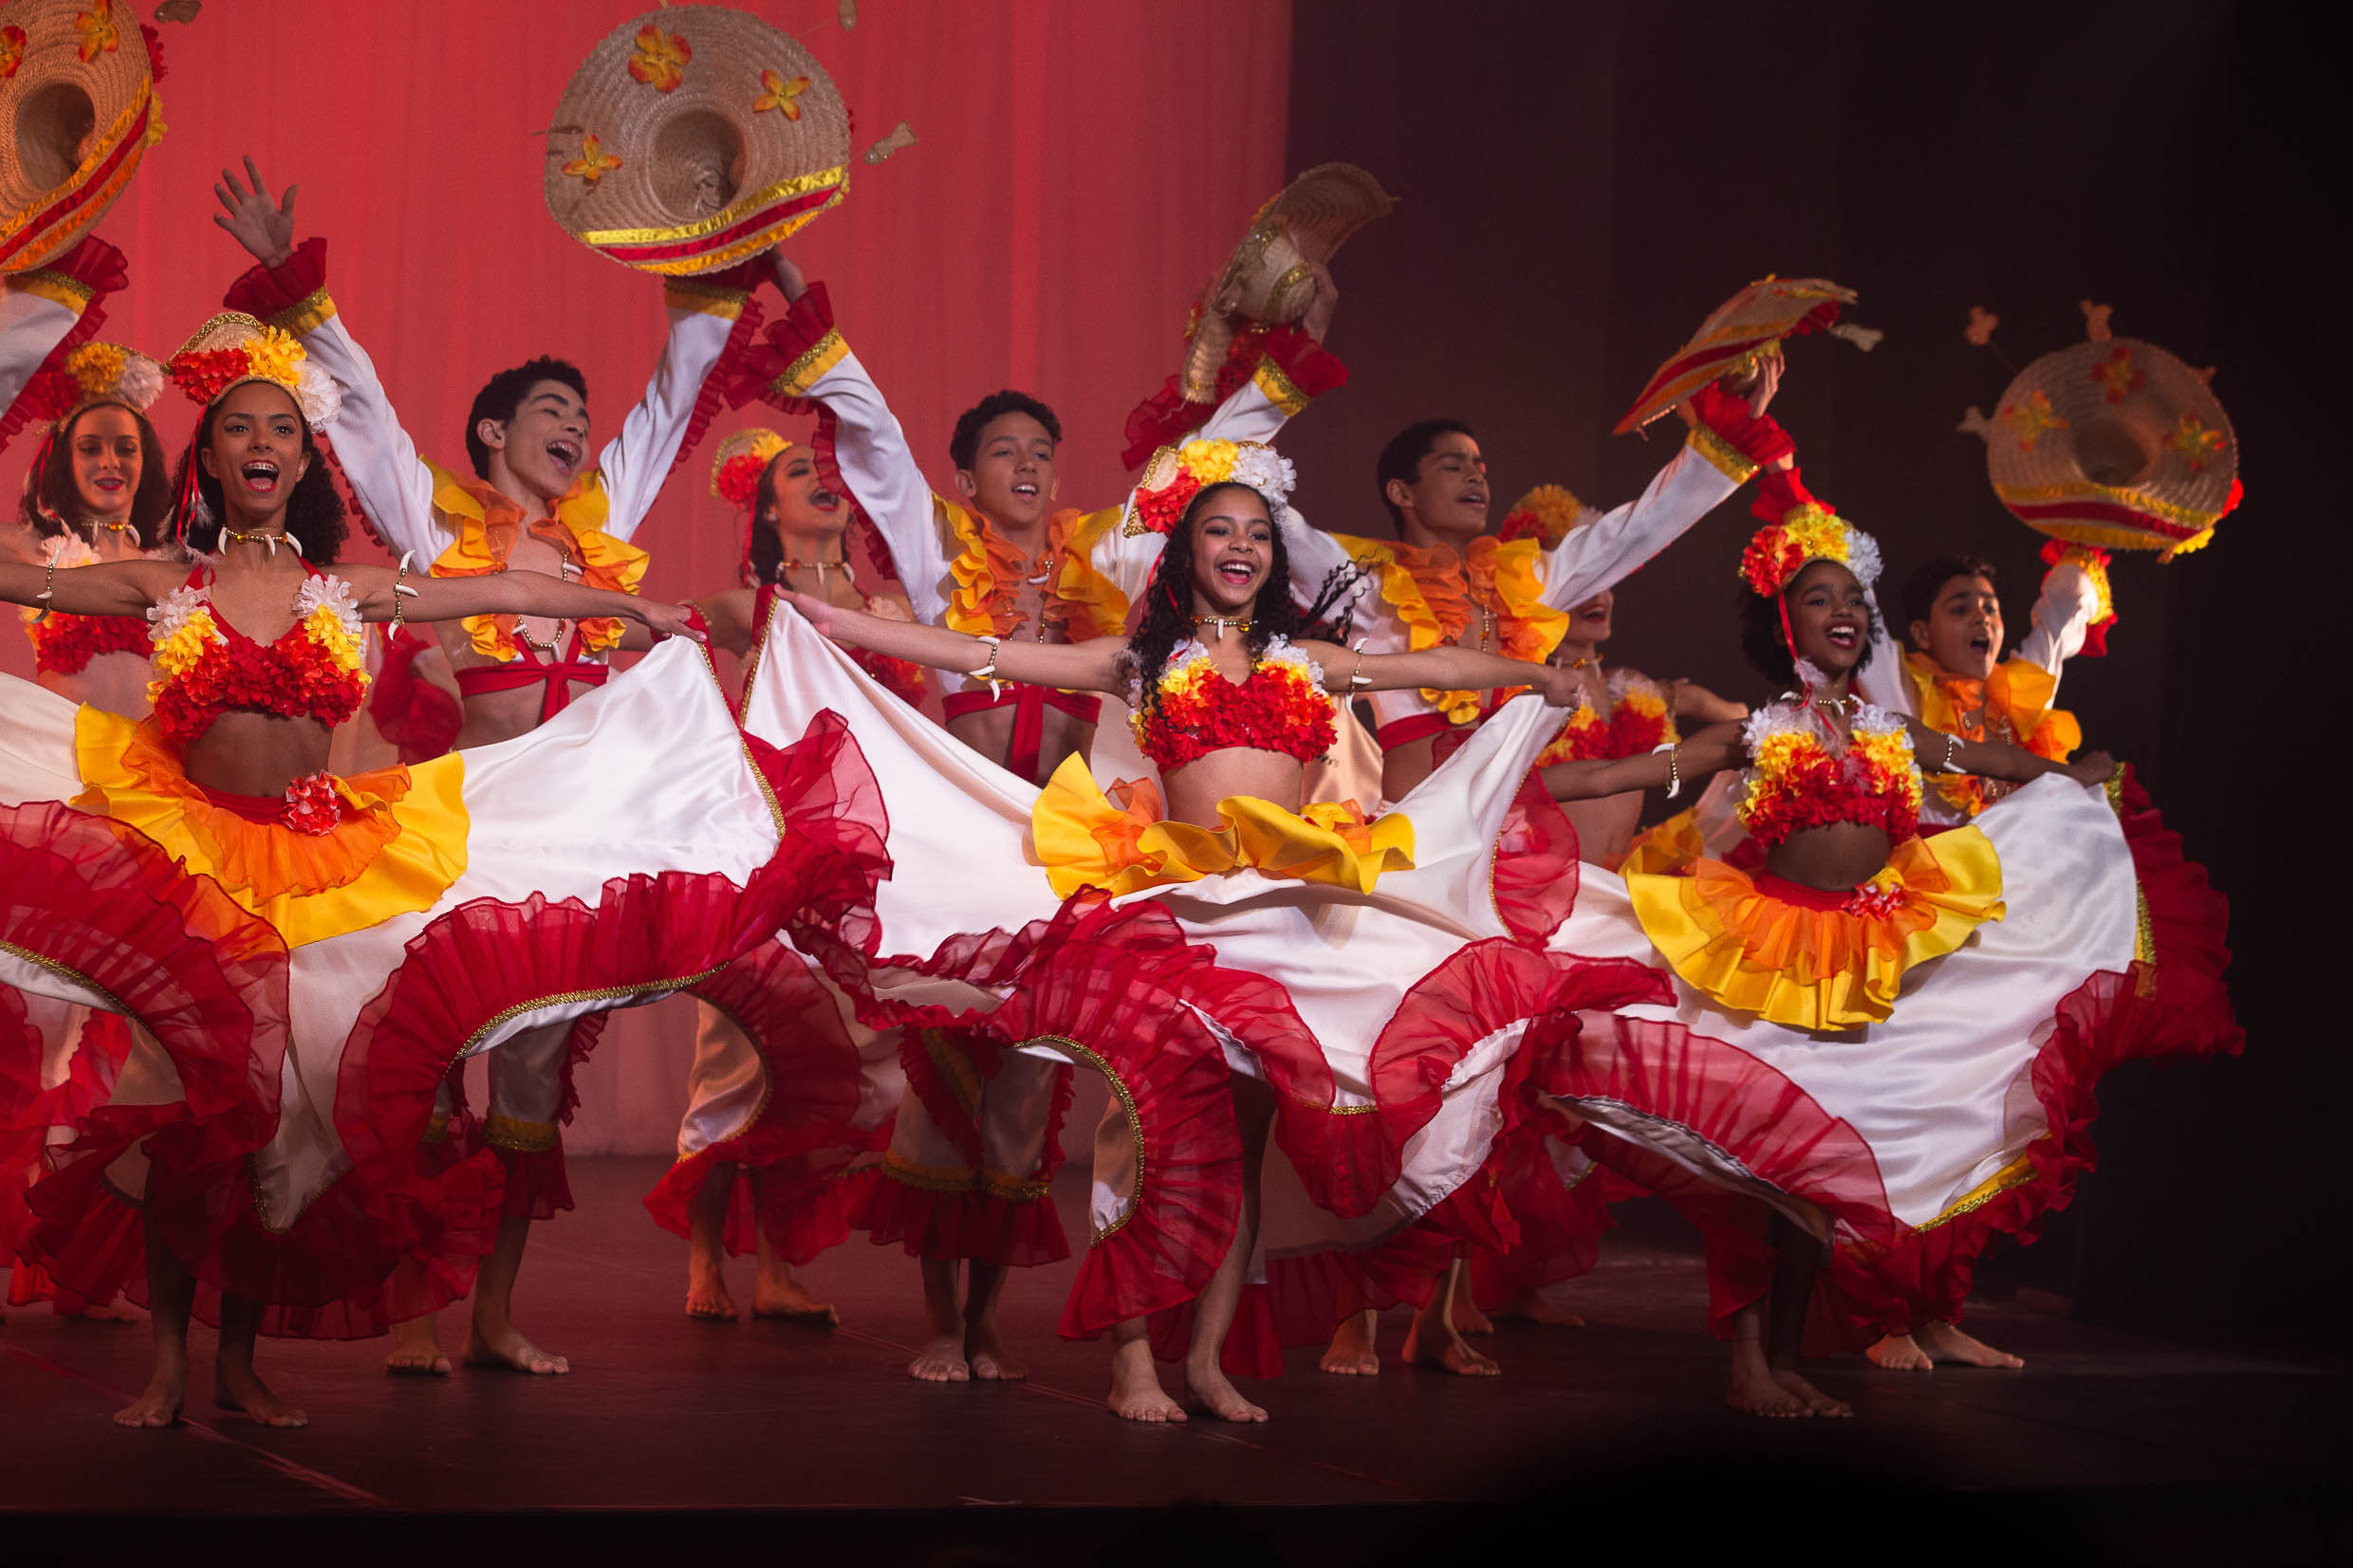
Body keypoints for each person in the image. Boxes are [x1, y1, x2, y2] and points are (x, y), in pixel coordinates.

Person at [745, 446, 1740, 1423]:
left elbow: (1432, 662)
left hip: (1282, 923)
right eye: (1219, 529)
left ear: (1273, 557)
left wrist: (1529, 674)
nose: (1240, 546)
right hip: (1177, 917)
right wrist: (834, 622)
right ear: (1187, 552)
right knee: (1149, 1129)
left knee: (1247, 1145)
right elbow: (982, 654)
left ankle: (1209, 1363)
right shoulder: (1142, 662)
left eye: (1257, 534)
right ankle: (1133, 1359)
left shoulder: (1305, 662)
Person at [0, 311, 834, 1427]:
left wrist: (630, 608)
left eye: (282, 430)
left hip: (313, 866)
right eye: (239, 427)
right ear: (210, 460)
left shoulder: (348, 590)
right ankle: (165, 1367)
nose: (261, 442)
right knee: (178, 1111)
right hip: (193, 870)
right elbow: (21, 584)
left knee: (273, 1120)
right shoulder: (163, 583)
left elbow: (510, 596)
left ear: (303, 462)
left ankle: (237, 1365)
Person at [716, 257, 1345, 1384]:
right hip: (962, 842)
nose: (1025, 466)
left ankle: (990, 1321)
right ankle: (937, 1325)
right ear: (966, 474)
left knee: (1025, 1094)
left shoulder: (1104, 561)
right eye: (1002, 451)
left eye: (1040, 451)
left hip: (1059, 855)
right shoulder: (938, 554)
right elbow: (873, 437)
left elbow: (1205, 473)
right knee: (942, 1082)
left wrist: (1284, 362)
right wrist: (793, 279)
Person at [210, 159, 772, 1375]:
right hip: (461, 834)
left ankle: (494, 1316)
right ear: (491, 436)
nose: (576, 428)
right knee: (424, 1074)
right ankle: (414, 1312)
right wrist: (296, 287)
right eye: (551, 412)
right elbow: (364, 413)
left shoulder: (601, 534)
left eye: (581, 415)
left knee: (528, 1085)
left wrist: (716, 266)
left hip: (569, 850)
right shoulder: (439, 532)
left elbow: (665, 406)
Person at [1530, 466, 2237, 1415]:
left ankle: (1785, 1358)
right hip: (1768, 955)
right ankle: (1749, 1365)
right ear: (1781, 623)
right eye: (1816, 598)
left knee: (1816, 1175)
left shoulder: (1889, 728)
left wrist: (2078, 781)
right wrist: (1504, 790)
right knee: (1765, 1171)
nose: (1840, 611)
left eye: (1850, 599)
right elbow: (1624, 776)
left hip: (1864, 956)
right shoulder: (1758, 731)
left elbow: (1989, 756)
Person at [1297, 367, 1795, 1378]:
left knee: (1494, 1082)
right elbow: (1248, 514)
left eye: (1481, 463)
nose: (1475, 477)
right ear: (1399, 490)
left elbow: (1635, 532)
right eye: (1451, 465)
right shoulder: (1358, 580)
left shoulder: (1527, 583)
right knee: (1385, 1079)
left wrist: (1718, 440)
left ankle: (1438, 1311)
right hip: (1410, 863)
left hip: (1511, 864)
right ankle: (1357, 1306)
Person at [644, 426, 926, 1325]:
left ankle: (777, 1267)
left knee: (830, 1060)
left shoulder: (888, 610)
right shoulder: (749, 605)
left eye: (830, 468)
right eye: (801, 471)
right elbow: (661, 640)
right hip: (765, 849)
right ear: (767, 509)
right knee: (738, 1055)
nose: (823, 479)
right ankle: (704, 1258)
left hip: (856, 866)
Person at [0, 331, 175, 1326]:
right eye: (92, 447)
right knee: (37, 1027)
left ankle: (80, 1256)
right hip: (54, 803)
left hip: (145, 808)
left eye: (127, 448)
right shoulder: (32, 550)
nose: (111, 462)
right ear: (61, 460)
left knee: (119, 1038)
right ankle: (18, 1237)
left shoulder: (174, 565)